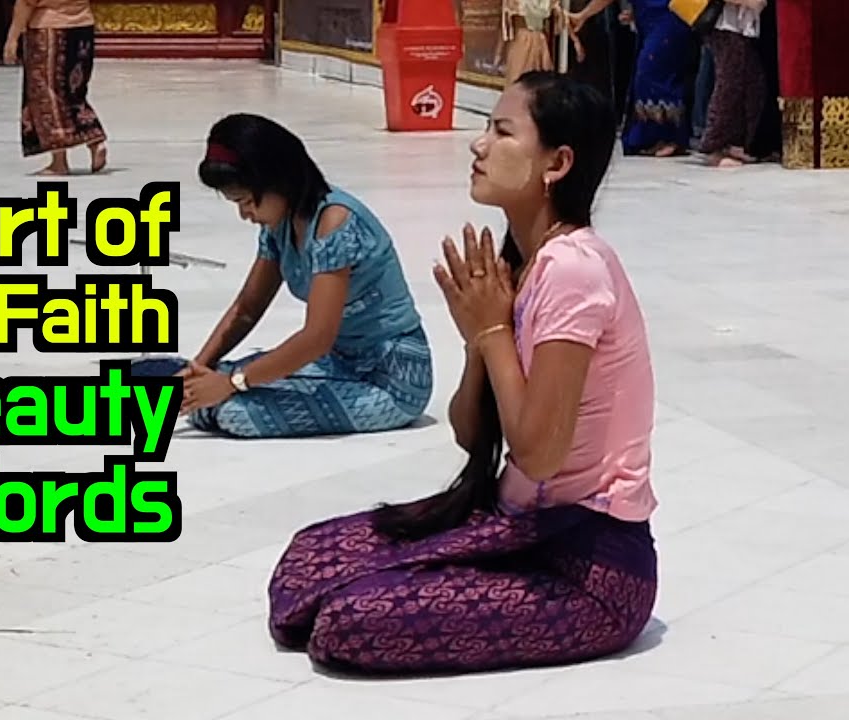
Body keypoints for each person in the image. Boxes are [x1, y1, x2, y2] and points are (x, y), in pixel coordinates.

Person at [266, 72, 659, 675]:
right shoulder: (524, 261)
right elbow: (470, 433)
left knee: (350, 622)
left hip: (589, 568)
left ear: (556, 163)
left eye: (501, 131)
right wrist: (482, 339)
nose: (478, 145)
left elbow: (542, 454)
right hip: (521, 523)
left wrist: (494, 332)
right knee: (308, 559)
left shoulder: (574, 271)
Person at [133, 113, 434, 440]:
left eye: (246, 201)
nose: (244, 213)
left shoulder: (335, 223)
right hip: (337, 365)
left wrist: (232, 382)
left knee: (236, 413)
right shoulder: (279, 226)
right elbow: (247, 308)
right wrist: (199, 368)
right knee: (203, 397)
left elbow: (317, 337)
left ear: (277, 181)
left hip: (390, 378)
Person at [572, 0, 695, 156]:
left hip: (670, 18)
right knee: (651, 74)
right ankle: (654, 138)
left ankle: (669, 137)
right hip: (648, 20)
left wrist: (583, 14)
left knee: (651, 74)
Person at [4, 0, 107, 175]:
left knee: (47, 95)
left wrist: (12, 38)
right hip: (82, 27)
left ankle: (59, 162)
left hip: (50, 29)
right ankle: (95, 141)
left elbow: (26, 3)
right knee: (74, 92)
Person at [699, 0, 768, 166]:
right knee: (729, 83)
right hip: (724, 23)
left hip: (738, 23)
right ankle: (715, 145)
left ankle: (734, 142)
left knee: (751, 83)